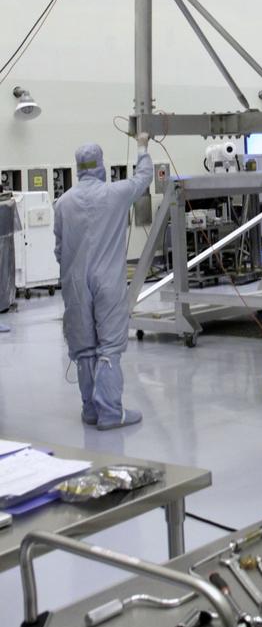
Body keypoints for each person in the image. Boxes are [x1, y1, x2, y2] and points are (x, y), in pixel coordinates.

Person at [54, 136, 153, 429]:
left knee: (84, 348)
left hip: (75, 283)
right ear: (100, 165)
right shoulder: (115, 193)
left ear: (77, 168)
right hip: (108, 282)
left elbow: (59, 248)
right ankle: (111, 411)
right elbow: (144, 177)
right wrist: (142, 147)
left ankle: (90, 410)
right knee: (109, 347)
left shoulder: (63, 203)